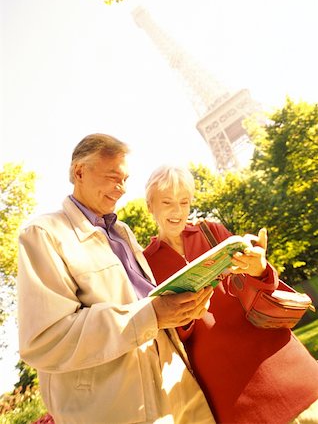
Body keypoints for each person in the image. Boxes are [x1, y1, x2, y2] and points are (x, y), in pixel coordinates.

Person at [17, 134, 216, 424]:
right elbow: (45, 339)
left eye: (125, 180)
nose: (121, 189)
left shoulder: (122, 233)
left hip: (179, 393)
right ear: (79, 172)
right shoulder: (43, 234)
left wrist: (181, 311)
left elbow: (146, 307)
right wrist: (152, 314)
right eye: (113, 178)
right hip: (119, 409)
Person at [143, 165, 318, 424]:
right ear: (150, 206)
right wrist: (186, 314)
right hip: (226, 383)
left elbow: (256, 288)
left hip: (276, 359)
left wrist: (259, 269)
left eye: (184, 202)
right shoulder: (146, 263)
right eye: (167, 202)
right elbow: (165, 329)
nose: (177, 211)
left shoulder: (211, 232)